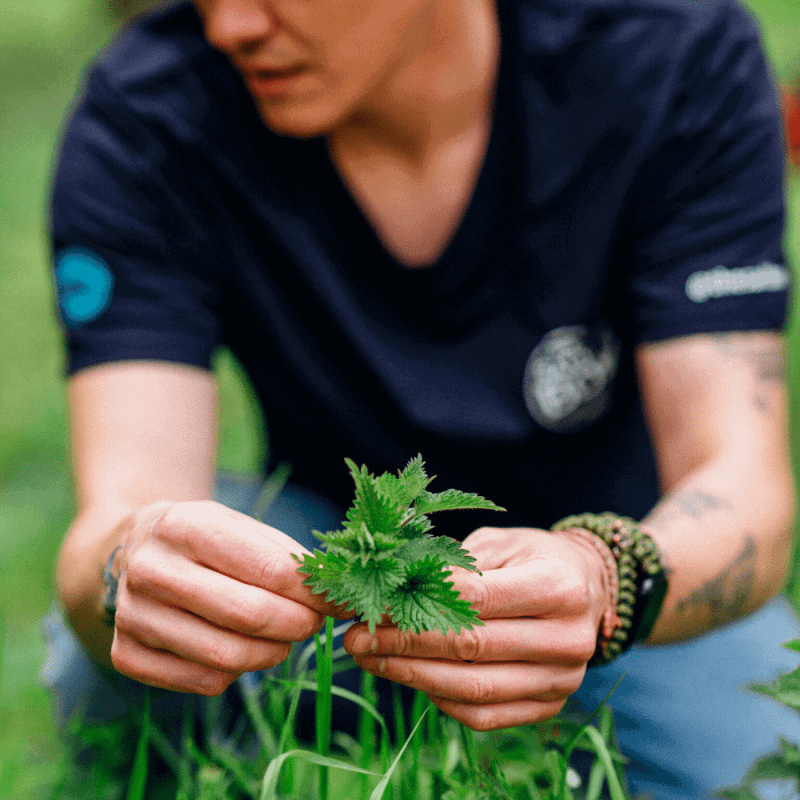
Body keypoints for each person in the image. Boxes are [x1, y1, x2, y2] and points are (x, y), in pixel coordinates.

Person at [43, 0, 800, 797]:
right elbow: (121, 502)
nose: (232, 26)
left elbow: (744, 484)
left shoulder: (670, 53)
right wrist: (131, 564)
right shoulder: (148, 114)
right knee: (112, 639)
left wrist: (607, 579)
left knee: (760, 775)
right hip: (324, 577)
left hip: (616, 582)